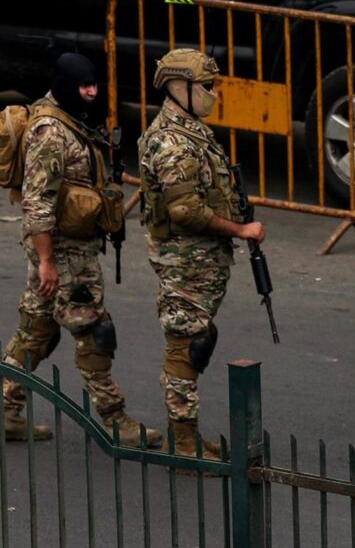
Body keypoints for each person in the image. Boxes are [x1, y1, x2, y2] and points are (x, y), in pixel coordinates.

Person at [3, 53, 160, 446]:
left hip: (65, 249)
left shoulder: (69, 120)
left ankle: (6, 409)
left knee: (37, 329)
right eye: (83, 85)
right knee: (92, 329)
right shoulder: (50, 132)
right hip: (64, 252)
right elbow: (37, 203)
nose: (91, 92)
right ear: (65, 85)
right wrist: (46, 262)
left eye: (94, 84)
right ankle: (113, 419)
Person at [137, 49, 265, 459]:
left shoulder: (191, 130)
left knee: (195, 342)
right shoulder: (173, 143)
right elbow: (185, 211)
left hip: (199, 262)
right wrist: (240, 228)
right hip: (184, 263)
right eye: (207, 87)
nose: (213, 94)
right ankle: (185, 446)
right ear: (180, 88)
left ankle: (187, 437)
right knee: (184, 349)